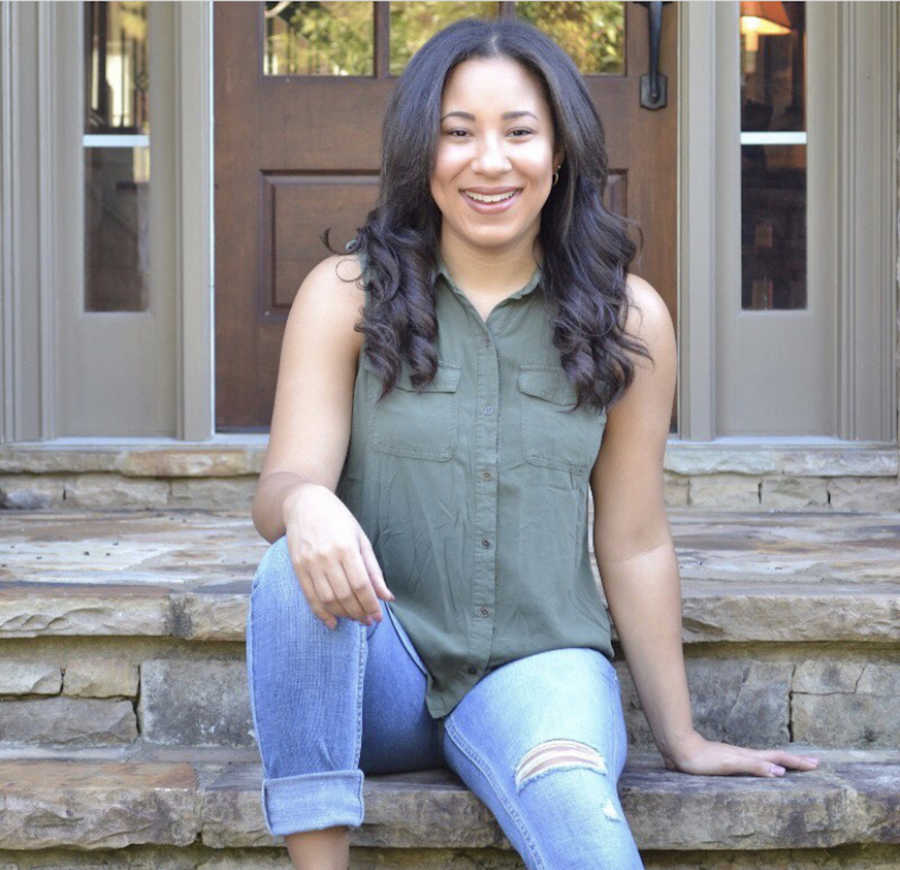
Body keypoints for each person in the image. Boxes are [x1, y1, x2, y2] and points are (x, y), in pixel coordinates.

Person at [246, 17, 819, 870]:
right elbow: (281, 484)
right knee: (289, 564)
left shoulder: (631, 319)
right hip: (382, 673)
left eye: (519, 132)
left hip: (542, 674)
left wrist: (682, 734)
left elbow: (633, 540)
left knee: (581, 831)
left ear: (559, 154)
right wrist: (305, 502)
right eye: (457, 133)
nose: (489, 161)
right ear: (422, 154)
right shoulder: (345, 295)